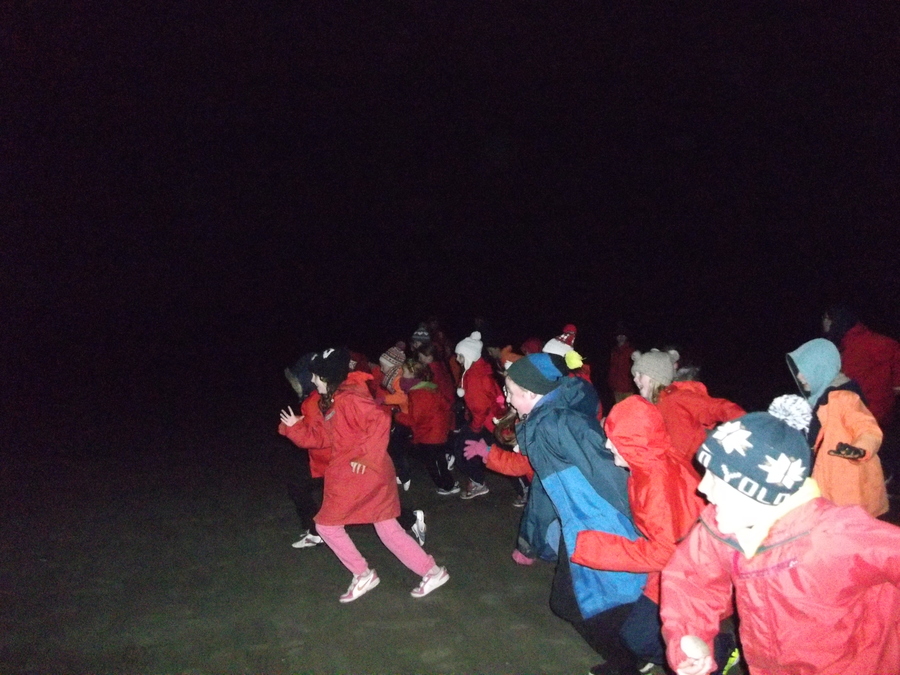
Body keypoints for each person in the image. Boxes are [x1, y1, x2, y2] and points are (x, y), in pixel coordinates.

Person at [660, 412, 900, 675]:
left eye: (718, 478)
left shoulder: (833, 534)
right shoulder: (723, 529)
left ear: (759, 490)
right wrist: (686, 641)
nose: (703, 487)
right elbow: (691, 585)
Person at [504, 353, 646, 675]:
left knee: (590, 600)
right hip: (579, 526)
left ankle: (637, 659)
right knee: (594, 599)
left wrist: (640, 520)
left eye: (510, 391)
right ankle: (630, 660)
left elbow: (609, 474)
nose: (506, 398)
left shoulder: (560, 423)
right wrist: (531, 540)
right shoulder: (545, 423)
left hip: (600, 524)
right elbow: (545, 489)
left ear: (531, 393)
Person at [278, 347, 445, 602]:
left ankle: (362, 573)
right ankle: (432, 571)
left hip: (362, 474)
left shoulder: (349, 398)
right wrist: (295, 429)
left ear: (328, 377)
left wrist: (367, 457)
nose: (311, 380)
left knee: (326, 525)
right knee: (387, 528)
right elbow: (323, 438)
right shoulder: (336, 400)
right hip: (370, 473)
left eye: (315, 376)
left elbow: (380, 420)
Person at [571, 395, 707, 673]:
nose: (608, 445)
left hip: (688, 570)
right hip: (681, 559)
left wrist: (597, 548)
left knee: (639, 636)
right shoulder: (653, 462)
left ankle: (717, 653)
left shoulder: (655, 482)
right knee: (636, 624)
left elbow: (665, 551)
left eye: (616, 440)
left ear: (636, 444)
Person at [787, 338, 888, 517]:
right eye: (798, 371)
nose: (800, 377)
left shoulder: (843, 398)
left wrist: (859, 449)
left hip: (848, 489)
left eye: (806, 371)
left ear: (821, 368)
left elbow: (868, 428)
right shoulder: (814, 400)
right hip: (827, 483)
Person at [633, 349, 744, 479]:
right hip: (675, 471)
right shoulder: (653, 406)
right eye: (634, 375)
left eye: (640, 374)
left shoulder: (677, 398)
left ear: (655, 375)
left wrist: (751, 426)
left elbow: (719, 408)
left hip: (693, 473)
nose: (635, 379)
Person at [278, 353, 329, 548]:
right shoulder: (318, 398)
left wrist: (289, 428)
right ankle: (316, 531)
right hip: (328, 459)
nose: (293, 385)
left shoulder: (313, 402)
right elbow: (318, 427)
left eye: (296, 380)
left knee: (298, 487)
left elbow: (314, 438)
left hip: (328, 461)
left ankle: (316, 531)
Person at [822, 306, 900, 429]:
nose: (824, 323)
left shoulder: (843, 351)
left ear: (837, 320)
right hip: (885, 419)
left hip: (858, 421)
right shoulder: (886, 342)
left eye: (826, 318)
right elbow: (897, 387)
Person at [453, 331, 506, 499]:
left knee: (464, 452)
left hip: (485, 423)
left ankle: (478, 483)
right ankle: (477, 481)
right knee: (474, 451)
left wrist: (474, 428)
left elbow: (480, 407)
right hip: (487, 421)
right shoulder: (478, 369)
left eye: (460, 356)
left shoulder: (475, 377)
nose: (457, 360)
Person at [393, 359, 458, 495]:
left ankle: (447, 486)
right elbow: (445, 406)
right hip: (437, 431)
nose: (402, 374)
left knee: (432, 463)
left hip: (429, 435)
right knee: (439, 460)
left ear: (412, 373)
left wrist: (398, 416)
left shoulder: (419, 394)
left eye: (404, 371)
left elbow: (414, 419)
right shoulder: (429, 387)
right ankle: (449, 482)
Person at [608, 326, 634, 403]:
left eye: (623, 335)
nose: (621, 337)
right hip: (616, 388)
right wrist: (611, 383)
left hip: (628, 388)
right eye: (619, 335)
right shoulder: (614, 351)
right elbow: (612, 368)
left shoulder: (631, 350)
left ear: (626, 337)